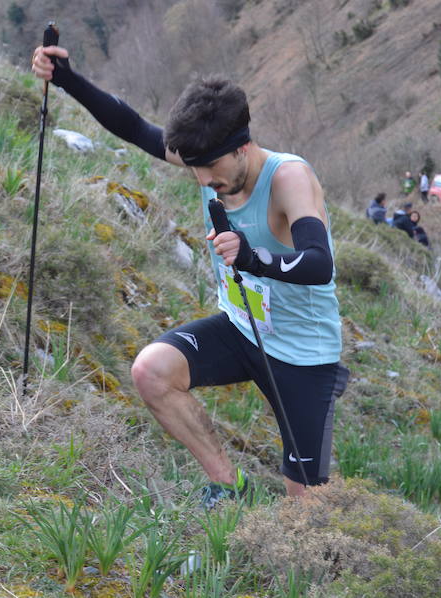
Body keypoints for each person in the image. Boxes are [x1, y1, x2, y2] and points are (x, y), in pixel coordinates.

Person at [32, 44, 349, 502]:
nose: (203, 182)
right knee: (151, 372)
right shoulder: (208, 156)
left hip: (303, 353)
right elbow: (135, 127)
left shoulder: (289, 179)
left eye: (212, 171)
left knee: (305, 510)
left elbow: (321, 265)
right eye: (195, 169)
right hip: (243, 329)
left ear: (242, 148)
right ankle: (227, 484)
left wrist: (253, 260)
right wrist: (66, 79)